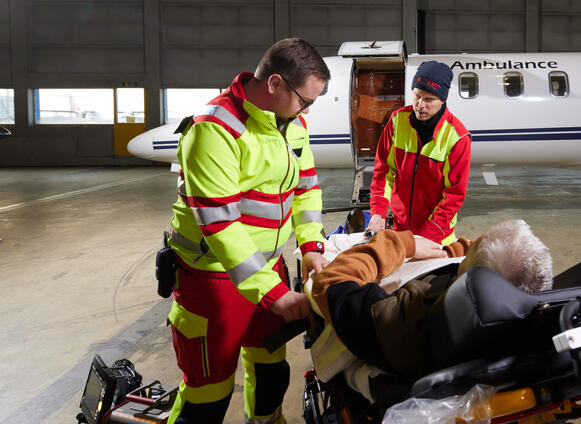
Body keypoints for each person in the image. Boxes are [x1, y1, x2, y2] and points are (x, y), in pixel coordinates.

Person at [166, 38, 330, 424]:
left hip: (267, 269)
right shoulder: (214, 130)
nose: (308, 110)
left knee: (271, 372)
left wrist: (311, 246)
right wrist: (275, 295)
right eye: (305, 100)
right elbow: (220, 224)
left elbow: (306, 188)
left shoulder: (291, 124)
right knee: (207, 396)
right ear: (275, 84)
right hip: (213, 282)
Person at [310, 219, 553, 381]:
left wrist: (402, 244)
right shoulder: (516, 318)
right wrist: (450, 253)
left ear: (470, 280)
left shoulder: (400, 324)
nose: (470, 243)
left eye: (475, 243)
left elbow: (332, 281)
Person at [367, 61, 471, 245]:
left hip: (437, 237)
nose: (420, 105)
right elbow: (383, 172)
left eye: (429, 99)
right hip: (400, 230)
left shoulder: (457, 137)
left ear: (442, 100)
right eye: (417, 96)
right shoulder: (397, 121)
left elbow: (453, 195)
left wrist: (426, 238)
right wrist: (378, 214)